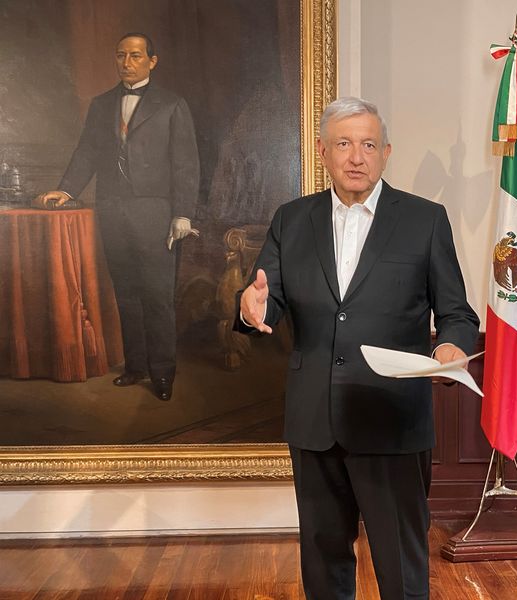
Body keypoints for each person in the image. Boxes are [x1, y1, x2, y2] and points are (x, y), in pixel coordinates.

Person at [237, 97, 479, 600]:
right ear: (323, 152)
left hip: (392, 419)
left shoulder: (424, 219)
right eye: (343, 144)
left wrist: (452, 347)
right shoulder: (291, 219)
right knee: (323, 563)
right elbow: (268, 298)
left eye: (368, 144)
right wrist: (252, 309)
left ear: (386, 152)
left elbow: (457, 313)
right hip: (314, 420)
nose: (356, 156)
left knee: (401, 566)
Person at [34, 32, 200, 401]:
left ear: (152, 61)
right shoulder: (101, 104)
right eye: (121, 55)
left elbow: (186, 164)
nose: (127, 62)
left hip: (156, 214)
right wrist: (67, 190)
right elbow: (86, 153)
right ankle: (136, 366)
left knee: (157, 296)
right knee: (125, 293)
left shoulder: (172, 104)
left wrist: (183, 215)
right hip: (112, 210)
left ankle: (162, 374)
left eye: (136, 56)